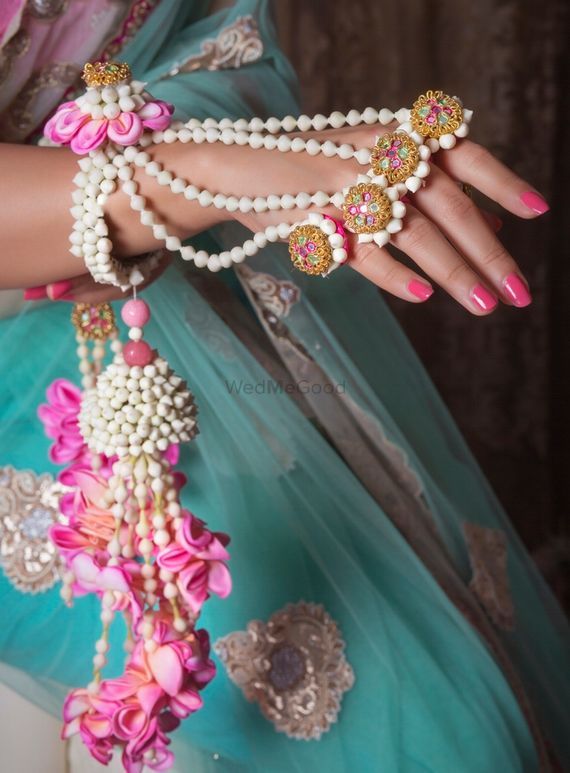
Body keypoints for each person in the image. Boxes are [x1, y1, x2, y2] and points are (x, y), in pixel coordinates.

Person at [0, 1, 568, 771]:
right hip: (29, 353)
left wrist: (247, 154)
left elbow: (218, 36)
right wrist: (219, 173)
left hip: (140, 304)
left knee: (451, 701)